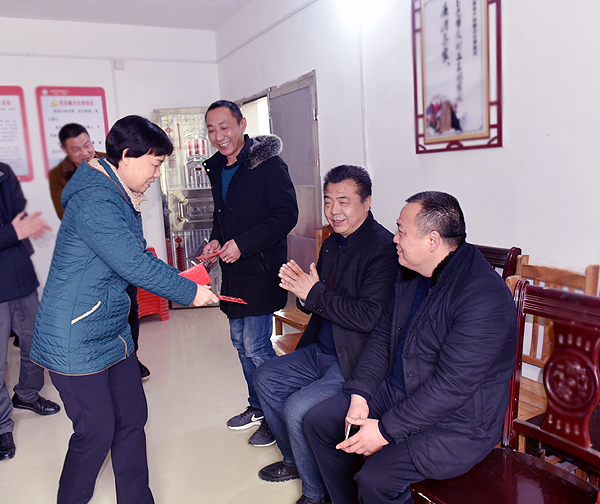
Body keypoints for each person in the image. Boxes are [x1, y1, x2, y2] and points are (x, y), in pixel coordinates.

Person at [31, 115, 218, 504]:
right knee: (96, 432)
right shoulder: (97, 200)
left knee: (131, 420)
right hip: (75, 337)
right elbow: (133, 264)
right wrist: (189, 292)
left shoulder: (117, 193)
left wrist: (183, 278)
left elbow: (137, 258)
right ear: (128, 156)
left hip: (111, 330)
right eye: (155, 164)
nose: (157, 175)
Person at [304, 191, 518, 504]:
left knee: (376, 479)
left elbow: (452, 387)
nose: (394, 239)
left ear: (432, 240)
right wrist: (360, 394)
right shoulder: (411, 271)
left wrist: (384, 430)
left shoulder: (483, 297)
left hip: (458, 421)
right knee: (321, 422)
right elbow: (382, 335)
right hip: (400, 390)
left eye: (401, 231)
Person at [253, 165, 398, 504]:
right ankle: (296, 462)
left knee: (297, 408)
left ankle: (315, 494)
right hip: (320, 347)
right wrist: (304, 294)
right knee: (265, 377)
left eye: (343, 201)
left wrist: (313, 292)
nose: (334, 210)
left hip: (352, 359)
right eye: (328, 201)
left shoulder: (383, 249)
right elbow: (317, 303)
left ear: (367, 202)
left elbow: (368, 317)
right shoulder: (332, 243)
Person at [201, 100, 298, 446]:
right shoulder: (217, 167)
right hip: (233, 271)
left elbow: (286, 216)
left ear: (242, 124)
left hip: (260, 269)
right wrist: (216, 239)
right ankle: (258, 406)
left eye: (225, 127)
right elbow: (223, 215)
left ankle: (277, 416)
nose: (218, 136)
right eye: (211, 129)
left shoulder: (269, 166)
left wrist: (242, 244)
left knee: (256, 346)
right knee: (239, 343)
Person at [50, 123, 151, 380]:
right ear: (65, 150)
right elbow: (68, 215)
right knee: (102, 311)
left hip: (123, 247)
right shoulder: (59, 176)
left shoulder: (111, 161)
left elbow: (130, 201)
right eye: (76, 149)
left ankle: (131, 356)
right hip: (94, 257)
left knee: (130, 307)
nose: (85, 152)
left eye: (87, 145)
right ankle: (104, 360)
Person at [0, 162, 59, 461]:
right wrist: (13, 231)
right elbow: (15, 228)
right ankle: (1, 425)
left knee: (36, 343)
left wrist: (22, 228)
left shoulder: (3, 172)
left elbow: (18, 214)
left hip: (20, 277)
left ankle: (26, 394)